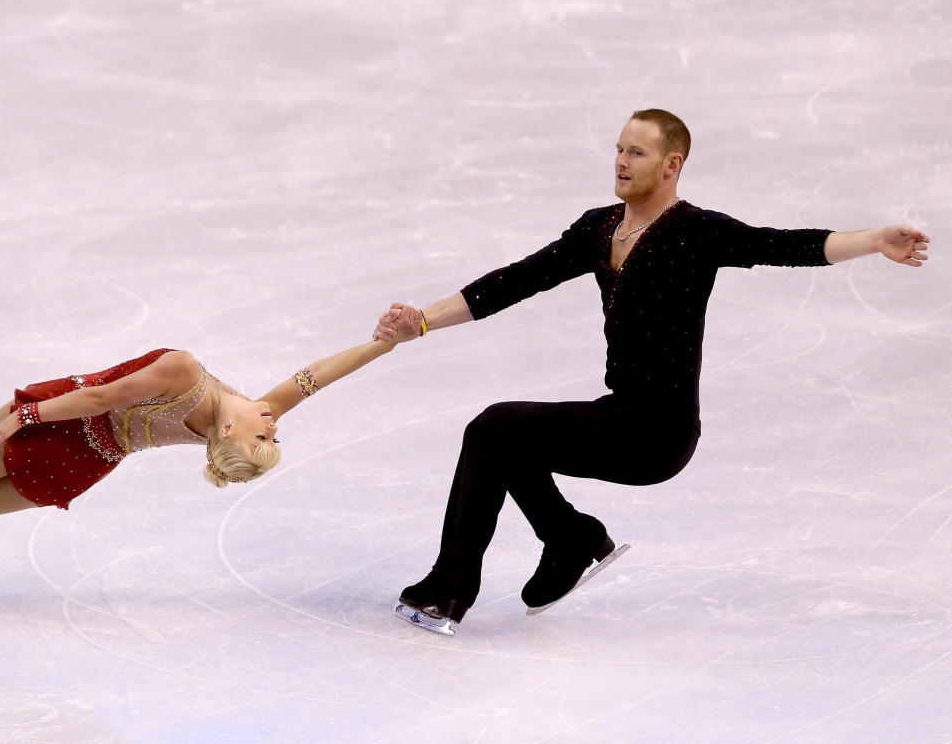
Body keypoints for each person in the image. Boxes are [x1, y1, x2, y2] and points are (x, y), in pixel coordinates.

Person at [375, 108, 931, 635]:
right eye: (618, 149)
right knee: (503, 439)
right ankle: (571, 538)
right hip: (617, 412)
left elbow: (784, 247)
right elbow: (517, 280)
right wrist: (420, 322)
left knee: (495, 428)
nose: (621, 161)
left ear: (672, 164)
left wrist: (875, 241)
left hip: (658, 431)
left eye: (637, 152)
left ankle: (453, 587)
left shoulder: (697, 232)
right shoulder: (599, 230)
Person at [0, 329, 417, 623]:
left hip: (61, 428)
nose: (274, 418)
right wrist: (383, 345)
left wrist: (28, 413)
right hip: (86, 466)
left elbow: (102, 398)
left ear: (226, 434)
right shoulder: (247, 410)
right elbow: (315, 378)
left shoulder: (187, 374)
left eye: (267, 433)